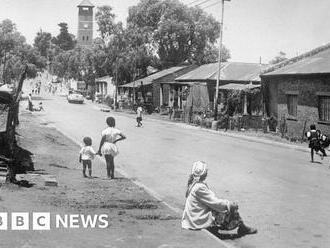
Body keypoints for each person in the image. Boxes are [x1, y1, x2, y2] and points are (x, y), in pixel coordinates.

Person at [182, 161, 257, 237]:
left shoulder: (194, 183)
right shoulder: (199, 187)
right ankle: (241, 228)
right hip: (196, 220)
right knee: (230, 210)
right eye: (206, 172)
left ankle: (241, 227)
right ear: (204, 174)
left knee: (222, 208)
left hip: (194, 217)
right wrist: (229, 204)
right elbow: (214, 202)